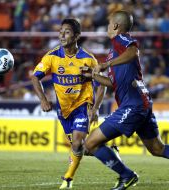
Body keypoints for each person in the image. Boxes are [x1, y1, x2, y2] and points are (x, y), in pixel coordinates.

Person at [81, 10, 169, 190]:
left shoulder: (120, 40)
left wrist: (106, 65)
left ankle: (127, 176)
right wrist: (92, 76)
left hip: (132, 106)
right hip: (141, 104)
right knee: (157, 148)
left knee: (90, 144)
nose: (107, 27)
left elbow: (133, 52)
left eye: (108, 24)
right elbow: (113, 84)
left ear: (115, 26)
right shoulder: (114, 51)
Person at [31, 18, 103, 189]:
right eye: (61, 31)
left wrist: (95, 107)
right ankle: (106, 149)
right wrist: (43, 99)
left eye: (67, 31)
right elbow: (35, 77)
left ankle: (68, 179)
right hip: (63, 110)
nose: (62, 35)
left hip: (82, 105)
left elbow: (102, 86)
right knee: (81, 148)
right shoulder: (52, 57)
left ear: (77, 36)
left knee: (77, 142)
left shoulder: (88, 59)